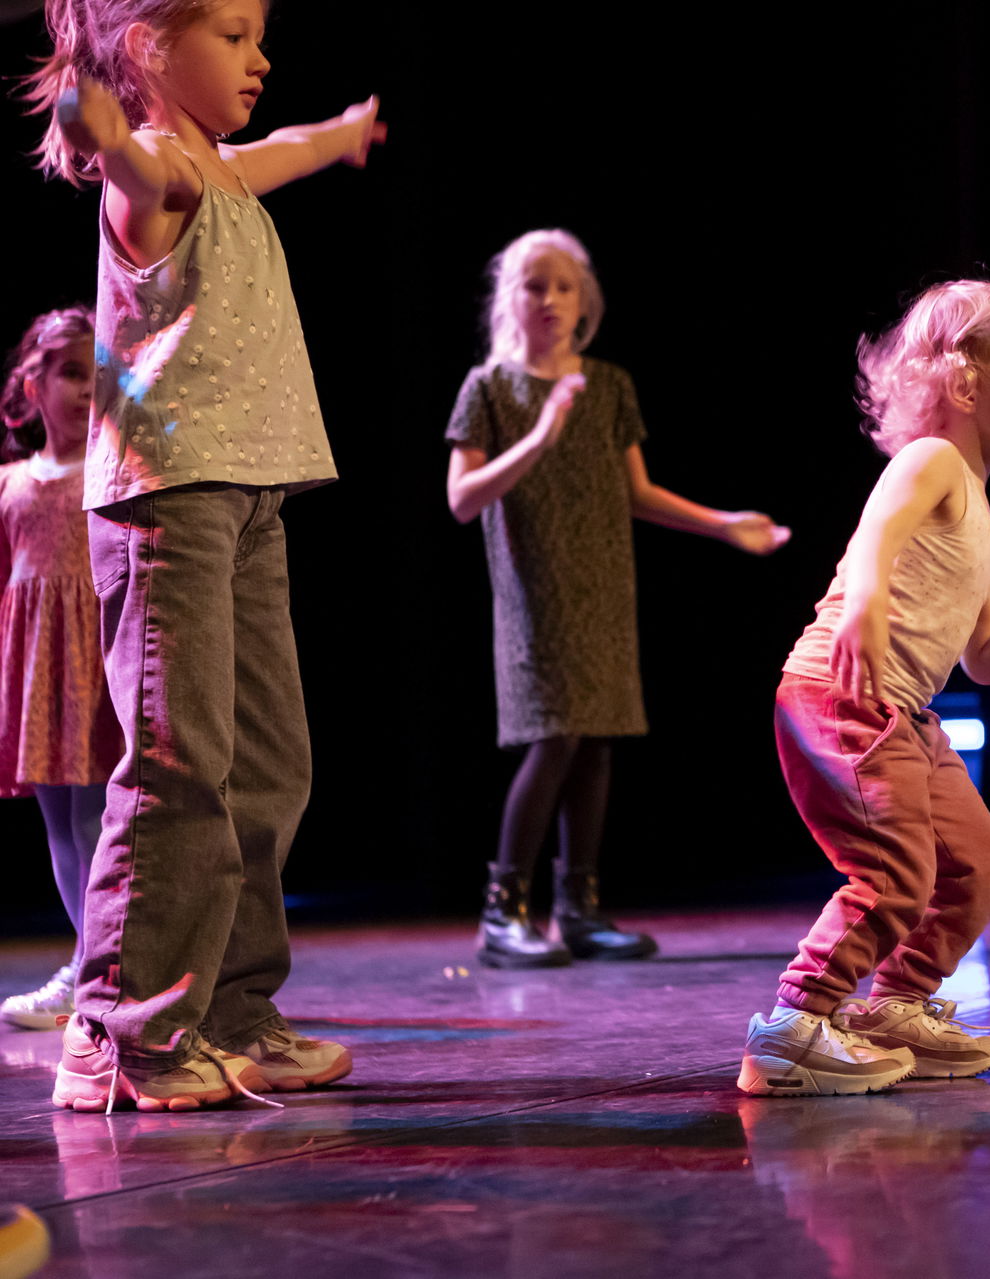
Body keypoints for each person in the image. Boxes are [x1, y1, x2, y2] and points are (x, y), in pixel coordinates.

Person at [26, 0, 384, 1110]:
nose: (260, 56)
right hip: (169, 505)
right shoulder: (161, 182)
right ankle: (125, 1027)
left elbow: (276, 153)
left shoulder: (223, 168)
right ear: (147, 48)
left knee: (269, 764)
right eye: (233, 34)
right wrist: (107, 132)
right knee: (180, 766)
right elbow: (139, 175)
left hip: (252, 492)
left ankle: (231, 1009)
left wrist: (339, 134)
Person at [741, 278, 990, 1097]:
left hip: (904, 711)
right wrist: (862, 604)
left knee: (977, 862)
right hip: (841, 690)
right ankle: (792, 1025)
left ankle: (897, 1003)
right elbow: (875, 533)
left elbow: (988, 659)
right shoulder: (930, 460)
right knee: (897, 872)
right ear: (968, 382)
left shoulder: (978, 513)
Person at [445, 228, 789, 969]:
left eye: (564, 286)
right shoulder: (489, 388)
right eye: (535, 285)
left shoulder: (608, 384)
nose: (550, 299)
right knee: (556, 735)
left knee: (595, 737)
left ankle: (579, 911)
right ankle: (503, 914)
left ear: (584, 301)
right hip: (535, 588)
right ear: (512, 297)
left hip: (600, 581)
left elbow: (637, 492)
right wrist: (539, 434)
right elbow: (462, 498)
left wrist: (723, 525)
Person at [0, 306, 120, 1032]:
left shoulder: (112, 467)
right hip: (41, 666)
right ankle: (86, 963)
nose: (84, 390)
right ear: (31, 384)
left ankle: (110, 964)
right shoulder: (11, 483)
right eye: (71, 373)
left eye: (96, 376)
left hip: (99, 657)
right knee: (60, 819)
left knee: (97, 814)